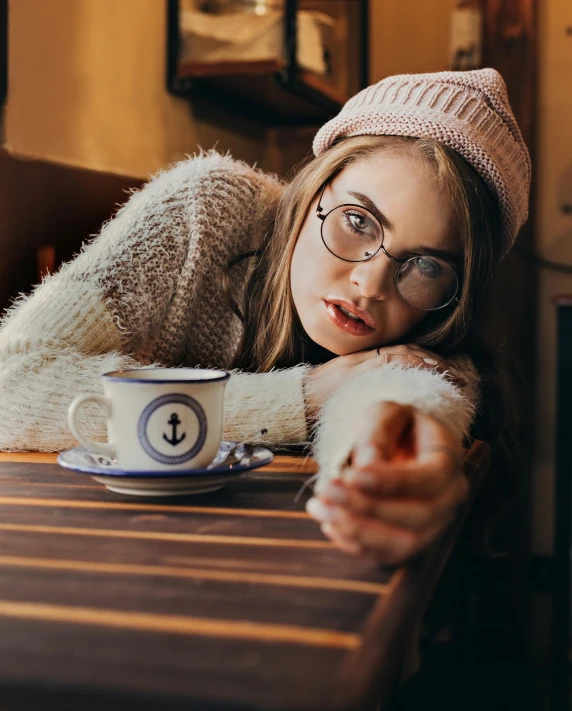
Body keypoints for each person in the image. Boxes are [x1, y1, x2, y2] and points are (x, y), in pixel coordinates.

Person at [0, 68, 531, 565]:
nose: (369, 285)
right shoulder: (206, 210)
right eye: (357, 220)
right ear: (312, 188)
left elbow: (398, 400)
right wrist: (303, 397)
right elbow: (10, 379)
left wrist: (391, 462)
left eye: (425, 265)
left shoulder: (435, 343)